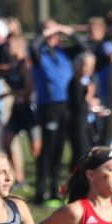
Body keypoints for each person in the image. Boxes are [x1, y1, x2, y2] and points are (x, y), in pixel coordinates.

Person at [30, 19, 81, 206]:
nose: (53, 36)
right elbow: (33, 45)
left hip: (65, 106)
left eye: (55, 33)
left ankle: (54, 190)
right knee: (48, 150)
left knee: (60, 150)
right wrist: (46, 31)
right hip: (48, 106)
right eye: (49, 33)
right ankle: (40, 191)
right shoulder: (39, 53)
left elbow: (84, 47)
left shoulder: (64, 53)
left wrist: (67, 30)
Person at [0, 33, 40, 189]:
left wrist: (9, 94)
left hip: (30, 110)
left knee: (36, 150)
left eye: (10, 45)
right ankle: (19, 178)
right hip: (18, 109)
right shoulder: (13, 64)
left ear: (19, 45)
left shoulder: (25, 64)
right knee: (6, 140)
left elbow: (28, 89)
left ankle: (42, 178)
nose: (7, 48)